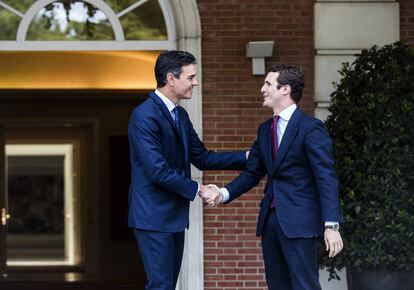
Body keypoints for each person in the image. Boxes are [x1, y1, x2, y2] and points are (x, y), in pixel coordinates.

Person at [209, 64, 344, 290]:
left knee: (304, 286)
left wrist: (331, 224)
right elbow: (252, 172)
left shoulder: (311, 128)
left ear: (285, 89)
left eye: (268, 84)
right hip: (270, 221)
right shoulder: (264, 130)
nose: (262, 89)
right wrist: (223, 193)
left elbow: (326, 177)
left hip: (300, 222)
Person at [126, 50, 247, 290]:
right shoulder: (143, 116)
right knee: (161, 286)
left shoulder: (179, 114)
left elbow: (202, 157)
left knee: (168, 286)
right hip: (152, 218)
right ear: (171, 78)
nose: (195, 82)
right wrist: (199, 189)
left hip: (173, 217)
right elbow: (158, 170)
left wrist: (248, 157)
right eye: (190, 77)